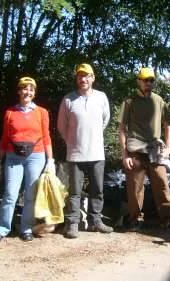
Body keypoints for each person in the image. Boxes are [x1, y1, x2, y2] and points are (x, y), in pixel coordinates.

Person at [0, 77, 55, 243]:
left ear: (34, 93)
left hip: (36, 156)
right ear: (19, 91)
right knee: (10, 194)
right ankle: (2, 228)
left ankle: (26, 228)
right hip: (13, 156)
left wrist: (50, 160)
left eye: (31, 89)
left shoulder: (42, 112)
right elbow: (5, 137)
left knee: (30, 194)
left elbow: (46, 136)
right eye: (24, 89)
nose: (28, 92)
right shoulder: (10, 112)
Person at [118, 67, 170, 233]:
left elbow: (168, 125)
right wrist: (124, 155)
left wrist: (168, 147)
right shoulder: (129, 101)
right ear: (138, 81)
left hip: (155, 150)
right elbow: (122, 129)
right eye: (145, 80)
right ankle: (135, 220)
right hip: (135, 150)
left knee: (162, 184)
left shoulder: (159, 100)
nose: (148, 83)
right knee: (134, 187)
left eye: (151, 80)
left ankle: (168, 221)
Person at [57, 63, 113, 238]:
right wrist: (73, 142)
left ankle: (95, 221)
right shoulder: (68, 100)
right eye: (80, 76)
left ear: (93, 78)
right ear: (77, 78)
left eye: (87, 76)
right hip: (75, 154)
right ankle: (72, 223)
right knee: (74, 191)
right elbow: (61, 126)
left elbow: (105, 120)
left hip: (96, 153)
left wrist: (93, 137)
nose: (83, 79)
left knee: (97, 189)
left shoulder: (102, 97)